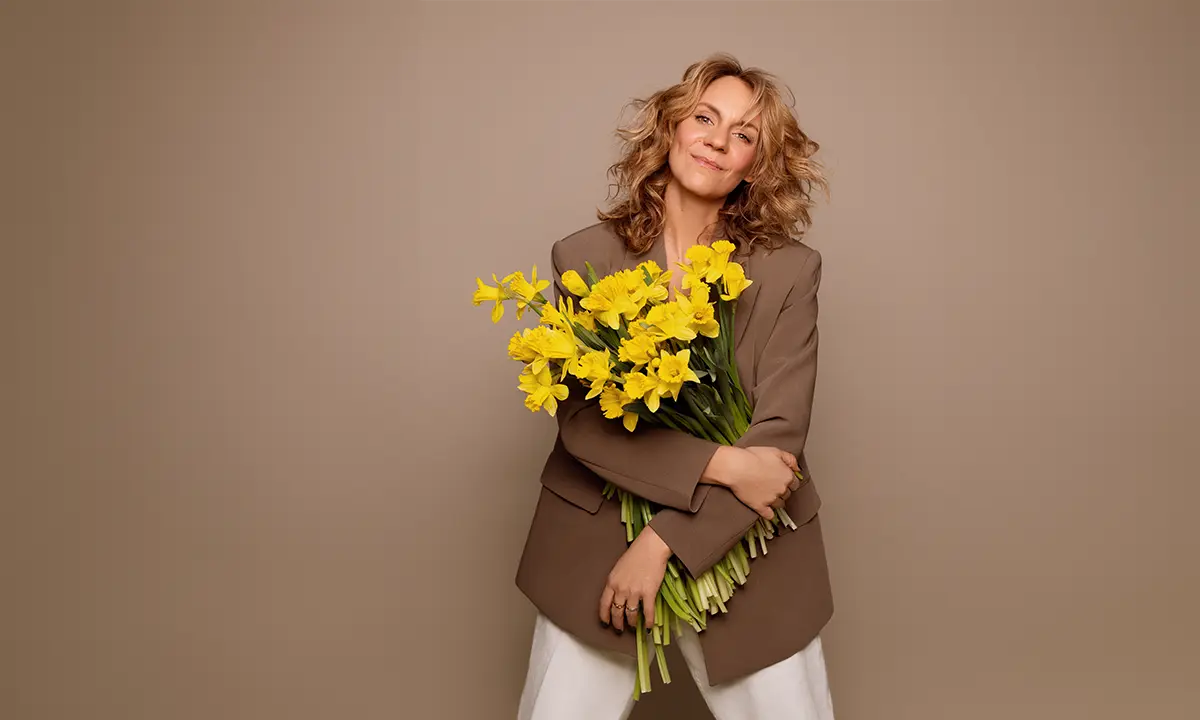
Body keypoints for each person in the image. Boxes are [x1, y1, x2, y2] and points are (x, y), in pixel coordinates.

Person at [515, 53, 835, 720]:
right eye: (705, 117)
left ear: (758, 162)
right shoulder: (583, 260)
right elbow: (584, 426)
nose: (719, 140)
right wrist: (722, 462)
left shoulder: (789, 273)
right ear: (669, 129)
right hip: (597, 552)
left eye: (744, 134)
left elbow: (775, 451)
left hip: (751, 552)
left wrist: (660, 545)